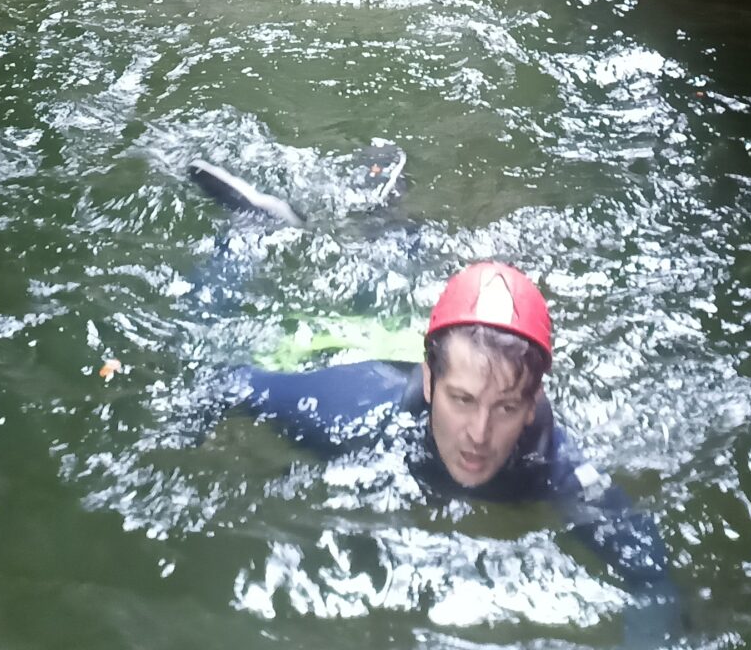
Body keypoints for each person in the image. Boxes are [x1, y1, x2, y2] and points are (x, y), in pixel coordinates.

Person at [200, 246, 683, 646]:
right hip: (368, 347)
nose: (479, 434)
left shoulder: (560, 470)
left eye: (506, 407)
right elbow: (226, 383)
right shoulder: (357, 413)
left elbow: (652, 579)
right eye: (462, 400)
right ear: (430, 383)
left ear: (532, 402)